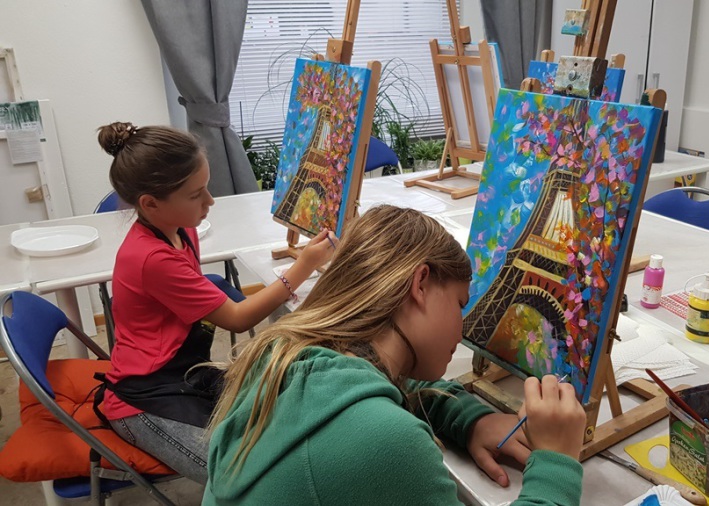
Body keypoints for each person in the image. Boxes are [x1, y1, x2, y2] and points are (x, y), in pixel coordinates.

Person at [204, 205, 586, 505]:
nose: (462, 328)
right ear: (420, 284)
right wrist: (557, 461)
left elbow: (391, 383)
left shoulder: (284, 354)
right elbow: (378, 423)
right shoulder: (385, 441)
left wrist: (470, 419)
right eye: (459, 304)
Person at [95, 122, 335, 484]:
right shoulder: (151, 258)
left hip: (186, 374)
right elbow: (237, 318)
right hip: (142, 397)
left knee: (292, 413)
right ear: (150, 203)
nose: (210, 202)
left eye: (206, 188)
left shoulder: (181, 229)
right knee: (242, 477)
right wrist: (304, 266)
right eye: (196, 195)